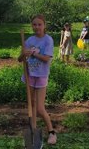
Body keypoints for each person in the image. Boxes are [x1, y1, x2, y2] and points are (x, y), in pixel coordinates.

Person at [18, 14, 57, 145]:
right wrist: (23, 54)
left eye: (39, 24)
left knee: (40, 108)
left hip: (41, 76)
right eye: (34, 24)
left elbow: (47, 58)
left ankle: (51, 132)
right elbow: (20, 59)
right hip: (29, 76)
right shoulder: (29, 40)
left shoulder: (48, 40)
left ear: (44, 25)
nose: (37, 27)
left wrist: (33, 53)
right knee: (32, 104)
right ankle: (34, 132)